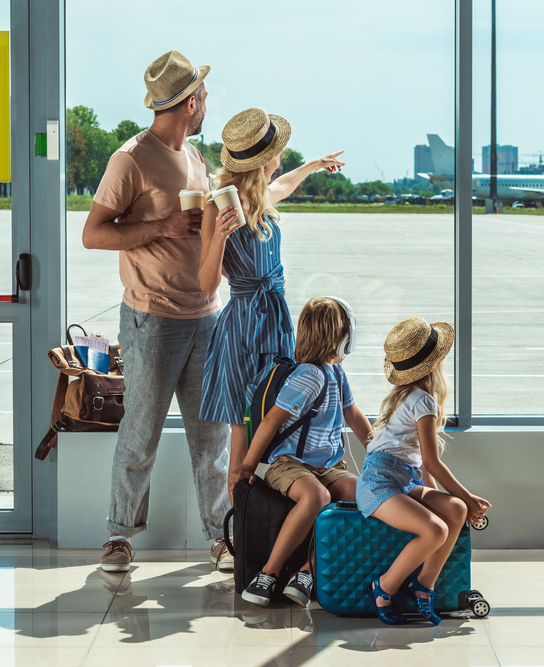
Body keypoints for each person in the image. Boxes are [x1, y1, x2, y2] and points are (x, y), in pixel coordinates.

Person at [82, 50, 233, 572]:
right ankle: (119, 535)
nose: (208, 103)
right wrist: (162, 229)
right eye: (205, 97)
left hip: (207, 316)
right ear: (191, 102)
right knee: (140, 432)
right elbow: (93, 234)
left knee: (211, 435)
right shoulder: (130, 158)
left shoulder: (194, 157)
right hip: (152, 318)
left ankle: (222, 535)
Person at [195, 107, 345, 491]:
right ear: (263, 161)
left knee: (275, 415)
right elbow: (207, 285)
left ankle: (279, 513)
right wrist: (219, 238)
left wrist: (313, 165)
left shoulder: (263, 196)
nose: (281, 161)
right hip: (243, 325)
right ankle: (240, 536)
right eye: (278, 154)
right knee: (243, 428)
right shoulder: (217, 207)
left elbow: (287, 184)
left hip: (275, 320)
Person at [233, 298, 374, 606]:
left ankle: (308, 570)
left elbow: (353, 414)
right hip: (289, 463)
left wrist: (376, 451)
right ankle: (268, 574)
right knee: (317, 497)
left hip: (328, 465)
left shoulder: (336, 373)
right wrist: (247, 466)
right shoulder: (309, 375)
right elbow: (271, 421)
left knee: (364, 496)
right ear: (339, 336)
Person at [357, 316, 491, 626]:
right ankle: (384, 588)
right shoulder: (424, 402)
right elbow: (432, 461)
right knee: (436, 529)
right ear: (435, 365)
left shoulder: (406, 396)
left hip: (403, 479)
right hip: (379, 484)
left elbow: (419, 464)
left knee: (454, 510)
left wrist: (454, 500)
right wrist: (470, 497)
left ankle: (423, 586)